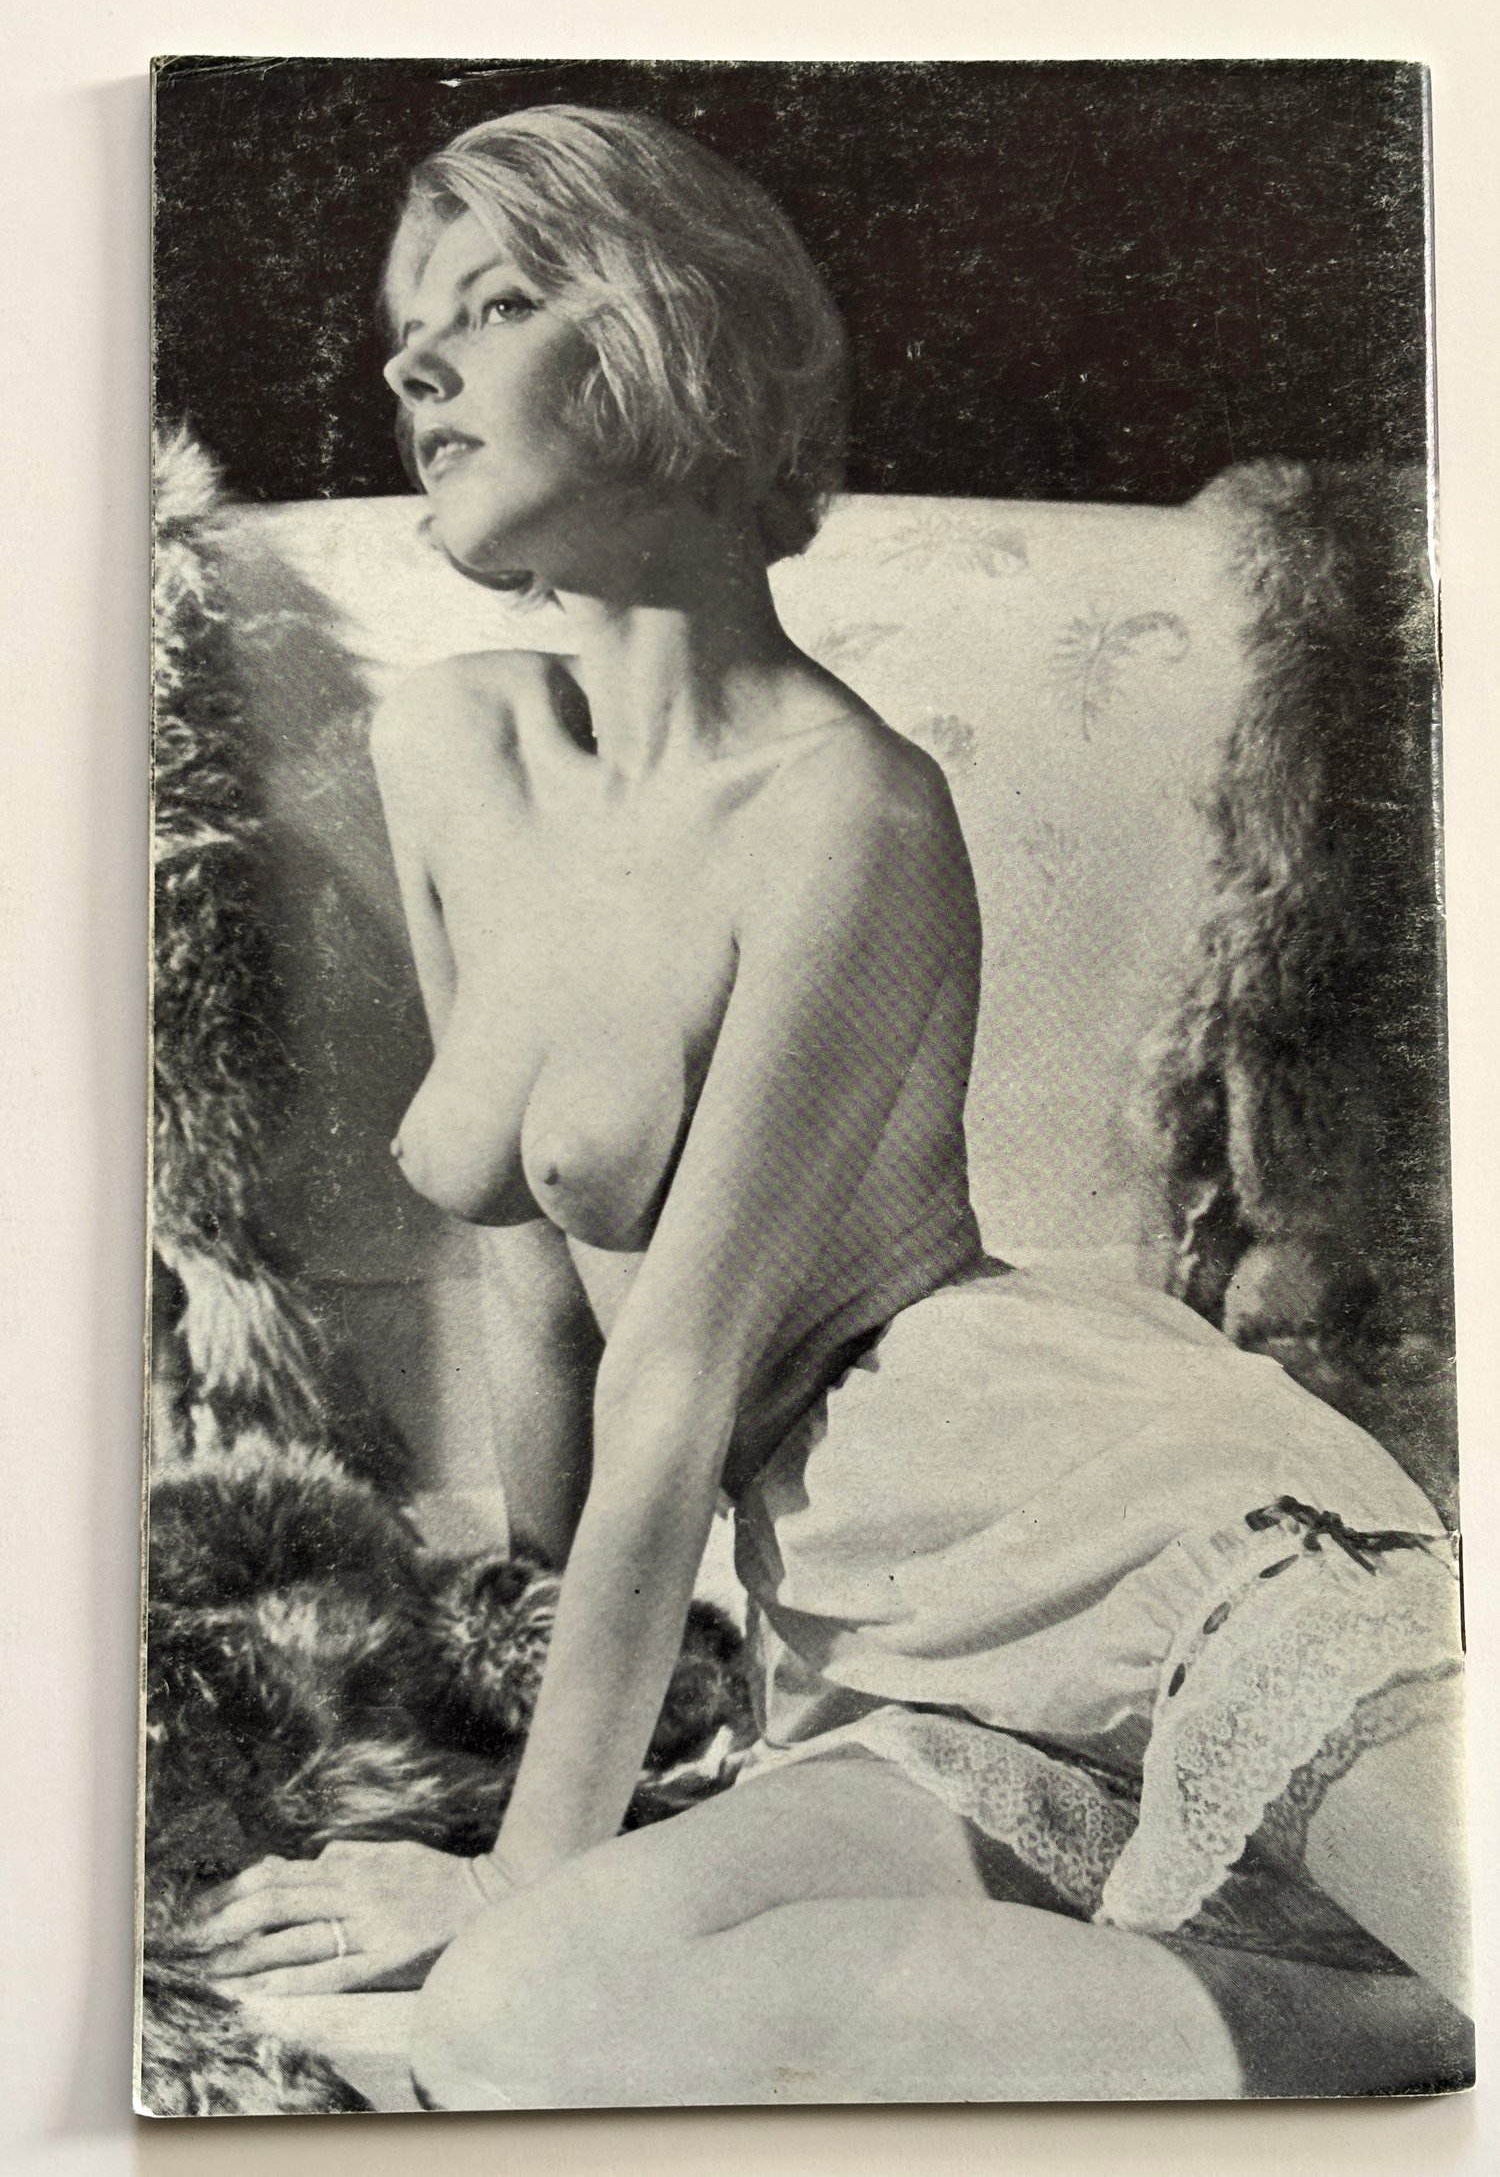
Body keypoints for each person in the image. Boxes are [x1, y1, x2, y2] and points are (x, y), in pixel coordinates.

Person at [190, 104, 1471, 2106]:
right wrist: (534, 1759)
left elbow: (678, 1371)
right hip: (867, 1637)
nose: (412, 362)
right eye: (403, 327)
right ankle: (1398, 2031)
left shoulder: (845, 811)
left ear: (671, 340)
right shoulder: (455, 748)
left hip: (1113, 1505)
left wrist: (524, 1858)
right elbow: (539, 1288)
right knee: (521, 2019)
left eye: (495, 305)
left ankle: (1438, 2000)